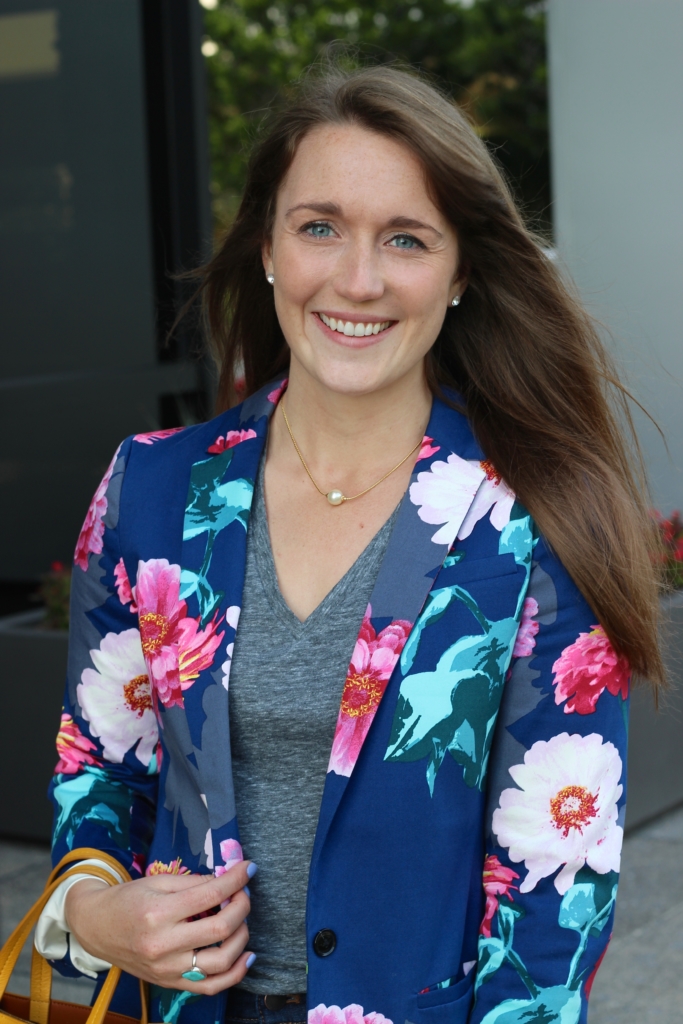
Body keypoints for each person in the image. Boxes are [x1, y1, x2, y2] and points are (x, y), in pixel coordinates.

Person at [38, 64, 664, 1024]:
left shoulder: (532, 517)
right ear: (266, 249)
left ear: (459, 274)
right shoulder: (151, 491)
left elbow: (555, 890)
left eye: (406, 239)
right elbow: (100, 771)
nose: (357, 278)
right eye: (318, 226)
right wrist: (91, 912)